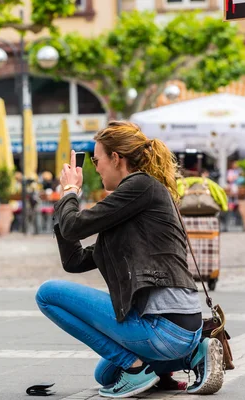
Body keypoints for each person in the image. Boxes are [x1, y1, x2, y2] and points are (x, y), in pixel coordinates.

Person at [36, 121, 224, 398]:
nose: (95, 167)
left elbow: (75, 226)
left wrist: (69, 193)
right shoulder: (134, 203)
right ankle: (191, 356)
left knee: (48, 294)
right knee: (105, 375)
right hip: (180, 329)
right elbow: (75, 260)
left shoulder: (141, 186)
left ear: (116, 158)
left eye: (96, 159)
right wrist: (63, 208)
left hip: (165, 326)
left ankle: (137, 370)